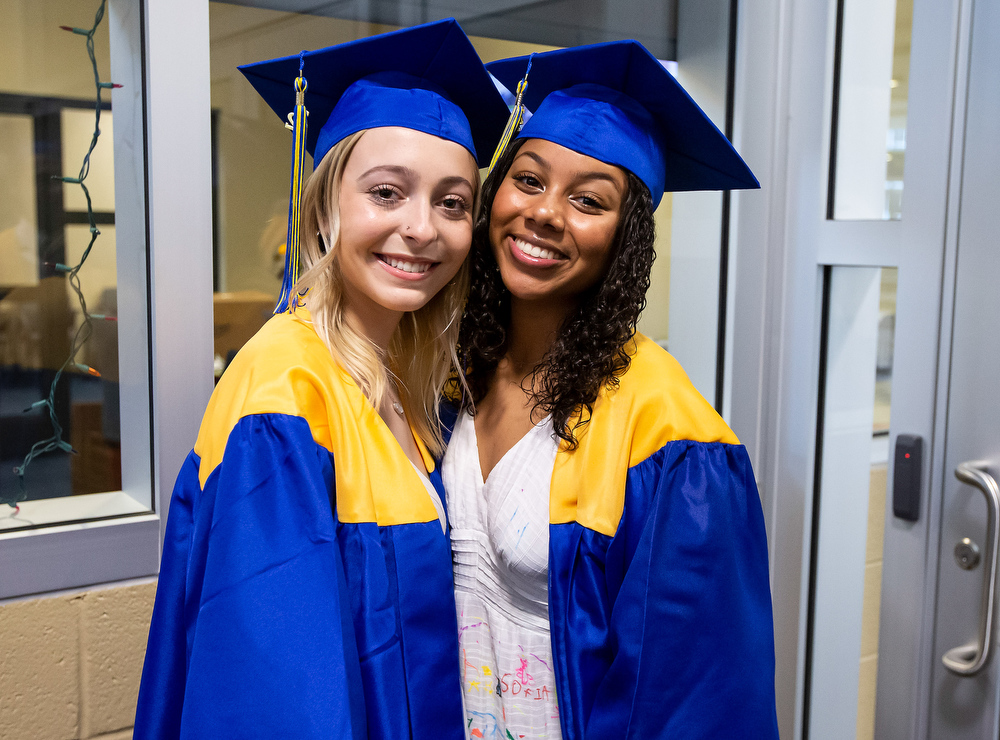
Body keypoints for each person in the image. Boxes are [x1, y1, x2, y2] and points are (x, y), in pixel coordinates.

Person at [133, 20, 509, 740]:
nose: (423, 228)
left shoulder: (395, 377)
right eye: (388, 192)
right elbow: (275, 698)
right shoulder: (285, 397)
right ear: (326, 204)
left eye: (453, 202)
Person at [443, 42, 780, 739]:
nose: (545, 213)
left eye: (588, 200)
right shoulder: (451, 372)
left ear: (623, 239)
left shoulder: (667, 431)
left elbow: (692, 691)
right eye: (529, 181)